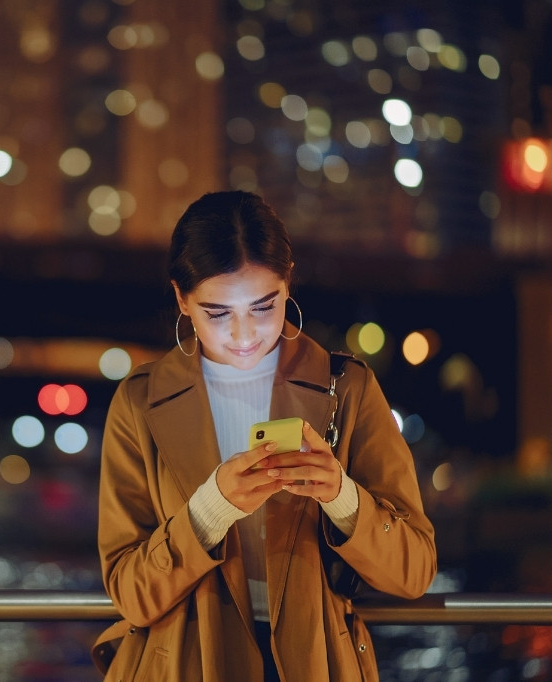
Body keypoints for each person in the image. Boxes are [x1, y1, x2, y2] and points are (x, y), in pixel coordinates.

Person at [91, 191, 436, 681]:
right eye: (217, 313)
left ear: (287, 283)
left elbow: (415, 570)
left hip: (318, 660)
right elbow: (129, 592)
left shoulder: (347, 388)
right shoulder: (139, 402)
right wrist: (210, 511)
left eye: (263, 306)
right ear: (181, 299)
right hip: (189, 662)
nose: (244, 332)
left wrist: (341, 496)